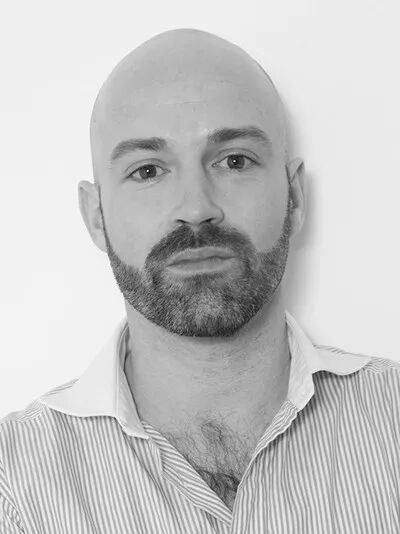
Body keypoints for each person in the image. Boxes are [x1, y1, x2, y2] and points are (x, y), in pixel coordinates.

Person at [0, 28, 399, 534]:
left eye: (234, 161)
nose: (195, 208)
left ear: (294, 196)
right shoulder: (13, 488)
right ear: (96, 215)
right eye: (148, 171)